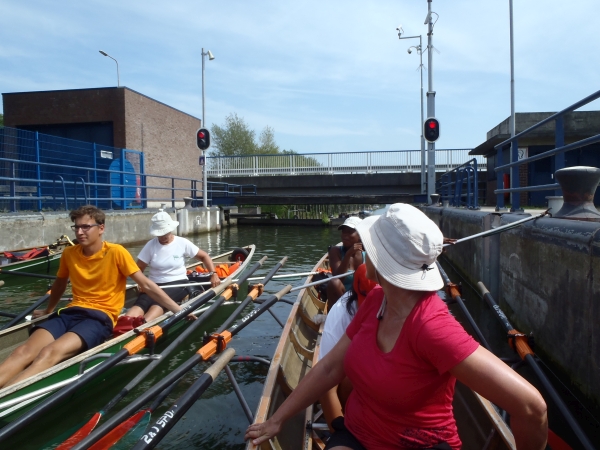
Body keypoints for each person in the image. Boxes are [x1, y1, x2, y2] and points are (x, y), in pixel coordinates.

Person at [246, 203, 548, 450]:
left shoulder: (432, 327)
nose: (362, 248)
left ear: (384, 261)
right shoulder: (377, 299)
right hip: (358, 434)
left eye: (370, 245)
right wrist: (279, 419)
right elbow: (328, 369)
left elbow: (531, 407)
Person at [0, 205, 186, 389]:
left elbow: (146, 285)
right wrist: (49, 310)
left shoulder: (116, 252)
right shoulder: (69, 253)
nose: (80, 232)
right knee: (22, 351)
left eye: (86, 227)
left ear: (101, 228)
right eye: (77, 227)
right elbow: (59, 285)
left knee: (49, 353)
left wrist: (179, 309)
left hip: (99, 318)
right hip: (69, 313)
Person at [123, 209, 220, 322]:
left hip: (178, 283)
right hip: (154, 284)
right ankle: (123, 327)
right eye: (160, 234)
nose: (163, 237)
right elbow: (138, 268)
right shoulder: (150, 245)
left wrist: (213, 274)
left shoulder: (182, 243)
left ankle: (142, 327)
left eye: (165, 233)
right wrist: (141, 283)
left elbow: (204, 257)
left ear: (171, 229)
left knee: (158, 303)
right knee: (141, 303)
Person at [319, 263, 377, 430]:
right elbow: (326, 381)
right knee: (351, 374)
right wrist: (339, 434)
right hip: (355, 385)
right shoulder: (341, 314)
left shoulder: (402, 306)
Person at [326, 216, 365, 309]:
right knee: (334, 283)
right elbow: (338, 277)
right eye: (344, 231)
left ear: (360, 235)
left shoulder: (368, 253)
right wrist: (347, 255)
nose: (345, 235)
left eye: (350, 232)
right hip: (341, 298)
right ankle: (338, 316)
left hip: (361, 296)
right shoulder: (335, 251)